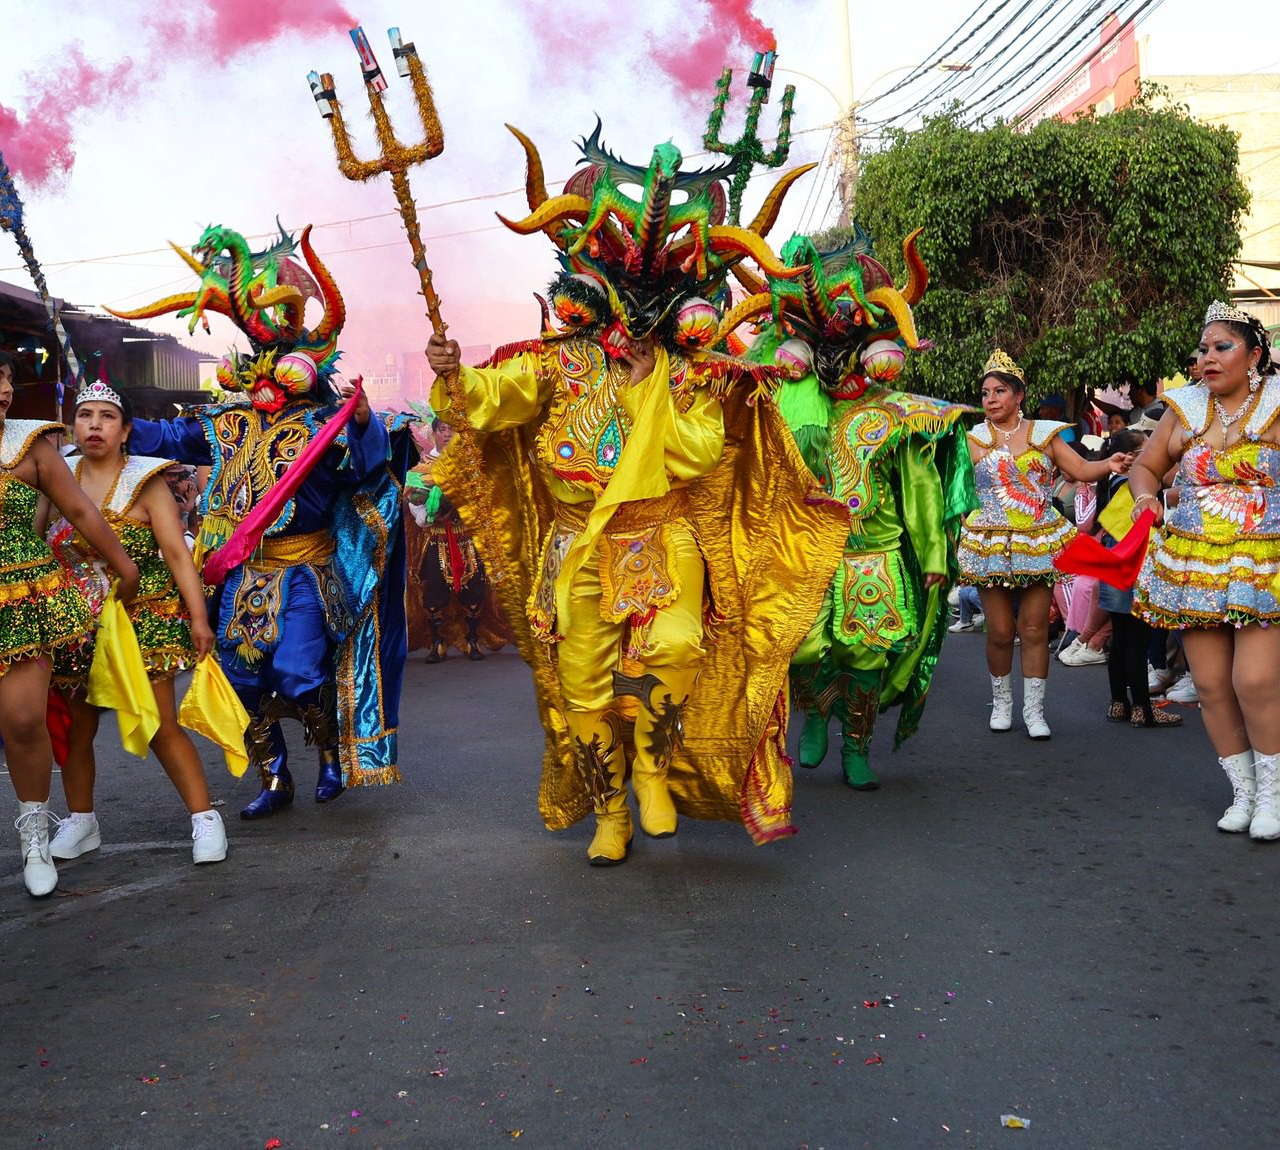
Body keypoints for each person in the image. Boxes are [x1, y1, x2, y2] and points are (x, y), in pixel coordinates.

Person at [425, 126, 840, 864]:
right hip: (574, 540)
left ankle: (651, 765)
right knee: (581, 686)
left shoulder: (690, 372)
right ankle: (609, 811)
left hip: (660, 532)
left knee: (677, 646)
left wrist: (653, 382)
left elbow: (699, 451)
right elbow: (485, 401)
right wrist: (453, 374)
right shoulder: (556, 364)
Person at [110, 224, 407, 824]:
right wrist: (112, 420)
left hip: (305, 572)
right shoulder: (228, 423)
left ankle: (330, 754)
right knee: (240, 682)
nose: (265, 379)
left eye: (280, 367)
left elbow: (372, 463)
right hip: (241, 575)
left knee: (299, 673)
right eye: (258, 367)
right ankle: (275, 777)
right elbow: (166, 437)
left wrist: (362, 422)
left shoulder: (325, 426)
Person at [0, 325, 137, 900]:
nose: (7, 388)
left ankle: (35, 843)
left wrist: (125, 566)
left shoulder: (30, 442)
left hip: (22, 600)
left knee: (21, 722)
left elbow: (82, 512)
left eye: (10, 378)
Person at [756, 228, 971, 791]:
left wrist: (933, 553)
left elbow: (919, 485)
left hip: (872, 553)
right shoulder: (786, 405)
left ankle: (856, 748)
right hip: (805, 548)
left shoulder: (892, 413)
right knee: (802, 647)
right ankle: (815, 715)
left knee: (867, 656)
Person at [1131, 303, 1280, 841]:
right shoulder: (1183, 408)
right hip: (1196, 561)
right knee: (1210, 685)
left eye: (1221, 347)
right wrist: (1144, 498)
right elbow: (1145, 466)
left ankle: (1272, 795)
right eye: (1203, 349)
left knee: (1253, 681)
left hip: (1269, 557)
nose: (1208, 357)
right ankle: (1243, 792)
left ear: (1253, 355)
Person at [46, 381, 225, 866]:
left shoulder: (145, 481)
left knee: (159, 724)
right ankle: (81, 820)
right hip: (77, 622)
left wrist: (199, 617)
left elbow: (176, 554)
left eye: (106, 417)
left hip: (143, 616)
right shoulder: (56, 477)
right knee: (77, 728)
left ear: (126, 431)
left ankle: (205, 817)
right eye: (85, 415)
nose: (94, 425)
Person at [958, 351, 1132, 739]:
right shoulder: (971, 438)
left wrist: (1109, 465)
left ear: (1019, 395)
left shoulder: (1045, 434)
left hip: (1037, 540)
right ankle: (1002, 704)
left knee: (1035, 628)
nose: (991, 399)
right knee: (1000, 630)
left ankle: (1034, 711)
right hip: (990, 542)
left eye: (999, 391)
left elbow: (1080, 469)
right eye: (985, 392)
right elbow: (955, 489)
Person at [1087, 430, 1179, 727]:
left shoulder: (1111, 483)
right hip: (1135, 563)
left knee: (1121, 637)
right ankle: (1142, 708)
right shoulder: (1133, 487)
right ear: (1132, 457)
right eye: (1146, 450)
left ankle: (1119, 703)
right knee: (1137, 640)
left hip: (1114, 561)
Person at [404, 419, 494, 663]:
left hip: (467, 537)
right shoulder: (421, 468)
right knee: (433, 591)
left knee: (475, 589)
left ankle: (472, 639)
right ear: (433, 433)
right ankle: (438, 642)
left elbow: (486, 499)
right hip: (436, 538)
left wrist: (465, 507)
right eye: (441, 430)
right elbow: (414, 502)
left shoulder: (472, 464)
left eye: (452, 429)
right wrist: (430, 513)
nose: (447, 434)